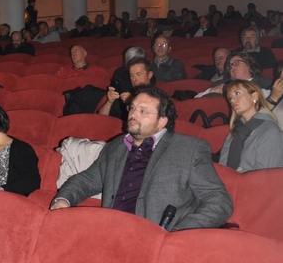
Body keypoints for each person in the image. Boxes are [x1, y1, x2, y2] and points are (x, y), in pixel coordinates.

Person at [50, 86, 233, 230]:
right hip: (110, 231)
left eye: (143, 111)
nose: (133, 114)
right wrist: (63, 200)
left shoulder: (189, 149)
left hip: (155, 241)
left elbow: (218, 200)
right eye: (133, 108)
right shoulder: (116, 147)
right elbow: (86, 181)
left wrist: (180, 232)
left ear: (162, 121)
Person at [219, 80, 283, 173]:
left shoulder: (269, 131)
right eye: (230, 97)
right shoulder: (235, 131)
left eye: (237, 93)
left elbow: (265, 177)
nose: (232, 100)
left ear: (255, 96)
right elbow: (223, 168)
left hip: (252, 186)